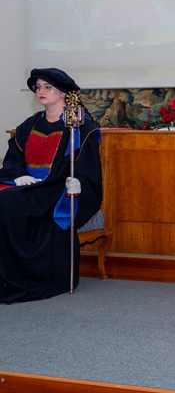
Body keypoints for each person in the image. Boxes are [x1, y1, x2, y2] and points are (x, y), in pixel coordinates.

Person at [0, 68, 102, 303]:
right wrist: (18, 176)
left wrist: (80, 183)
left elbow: (88, 168)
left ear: (64, 93)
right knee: (8, 197)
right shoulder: (29, 125)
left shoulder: (79, 127)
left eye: (47, 87)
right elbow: (14, 159)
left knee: (8, 201)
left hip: (57, 186)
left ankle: (27, 277)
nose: (40, 91)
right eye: (38, 87)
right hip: (28, 184)